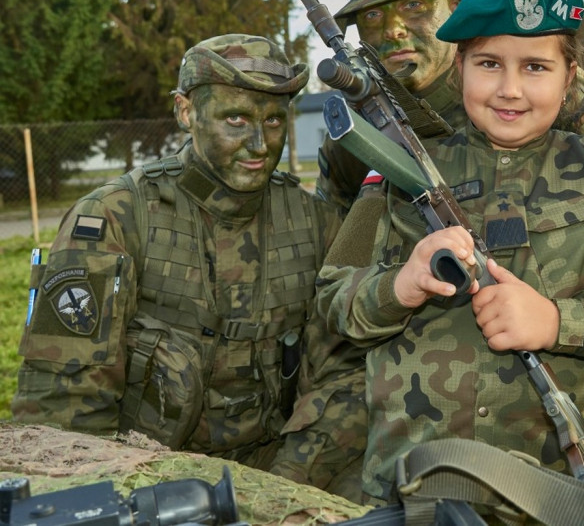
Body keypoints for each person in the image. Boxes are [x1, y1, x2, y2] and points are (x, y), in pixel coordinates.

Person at [315, 0, 584, 523]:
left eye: (535, 66)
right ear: (459, 67)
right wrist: (401, 284)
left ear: (569, 75)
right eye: (488, 64)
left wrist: (557, 322)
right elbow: (334, 302)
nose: (510, 89)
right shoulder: (398, 172)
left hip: (556, 489)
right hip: (421, 482)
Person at [11, 34, 355, 480]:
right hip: (143, 472)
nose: (258, 145)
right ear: (185, 112)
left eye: (273, 121)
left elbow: (343, 377)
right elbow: (64, 406)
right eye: (235, 118)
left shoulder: (314, 223)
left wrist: (288, 482)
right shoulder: (114, 218)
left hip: (280, 465)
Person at [316, 0, 584, 216]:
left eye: (413, 5)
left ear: (452, 6)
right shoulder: (359, 119)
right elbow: (336, 231)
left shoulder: (538, 83)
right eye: (372, 15)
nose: (394, 29)